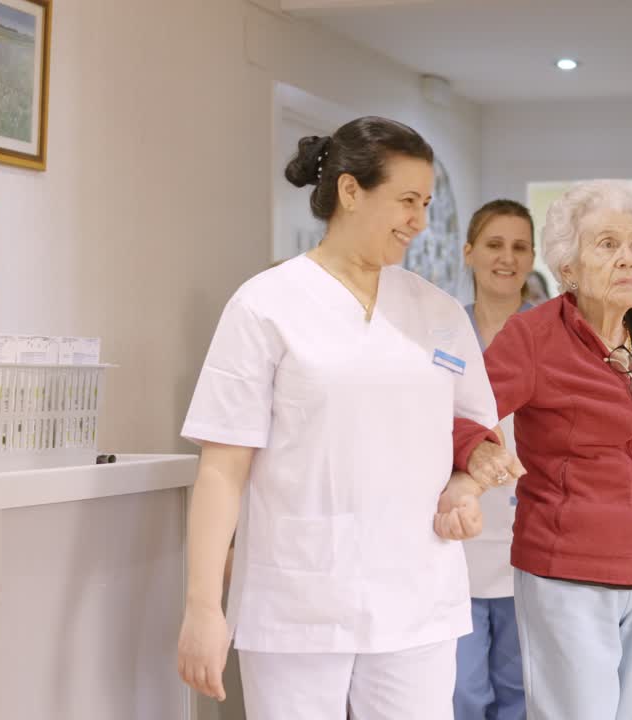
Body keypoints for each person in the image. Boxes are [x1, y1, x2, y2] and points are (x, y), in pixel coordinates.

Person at [175, 116, 523, 720]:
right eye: (407, 201)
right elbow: (222, 469)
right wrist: (204, 607)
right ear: (351, 191)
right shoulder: (265, 305)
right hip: (298, 598)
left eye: (427, 202)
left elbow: (472, 437)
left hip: (417, 596)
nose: (420, 220)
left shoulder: (437, 312)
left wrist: (465, 488)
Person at [453, 180, 632, 719]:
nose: (627, 259)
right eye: (607, 245)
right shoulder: (533, 338)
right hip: (569, 573)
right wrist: (475, 450)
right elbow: (461, 411)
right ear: (567, 266)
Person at [453, 200, 536, 720]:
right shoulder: (441, 332)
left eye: (519, 247)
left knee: (520, 692)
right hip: (457, 538)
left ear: (532, 259)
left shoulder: (553, 334)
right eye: (493, 244)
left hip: (530, 543)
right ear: (469, 253)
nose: (506, 258)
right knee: (461, 691)